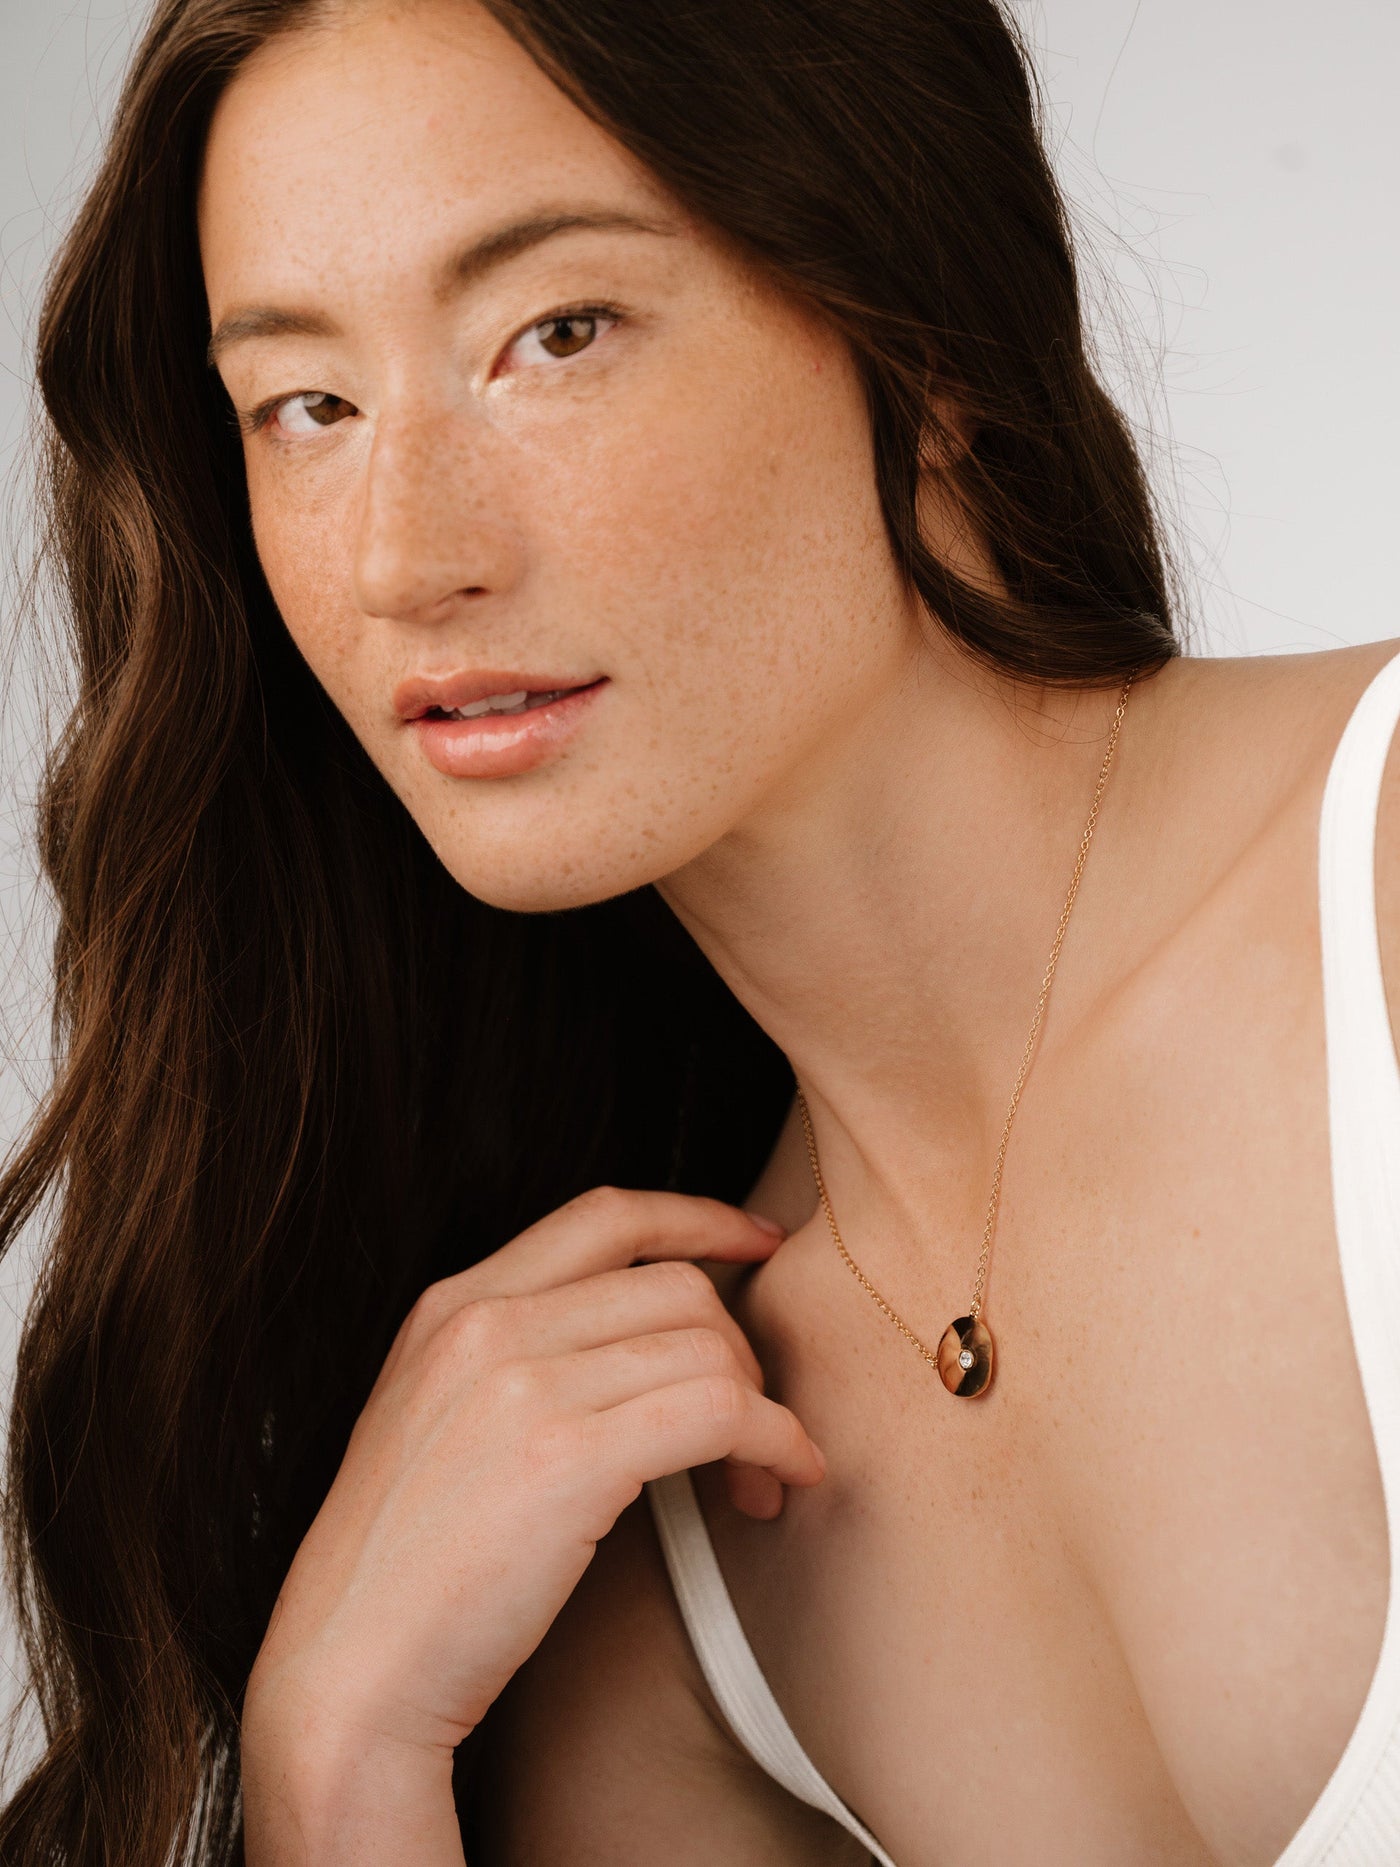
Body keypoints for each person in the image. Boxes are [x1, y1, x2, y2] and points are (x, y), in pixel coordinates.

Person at [1, 0, 1394, 1862]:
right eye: (307, 407)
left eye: (554, 336)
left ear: (928, 330)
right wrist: (338, 1754)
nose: (408, 557)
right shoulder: (661, 1537)